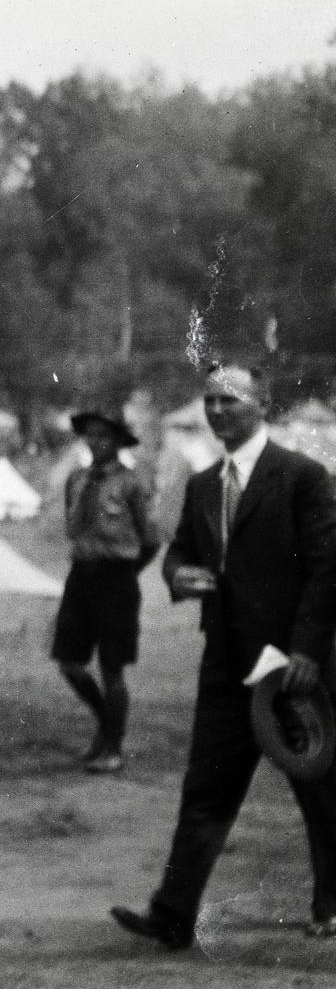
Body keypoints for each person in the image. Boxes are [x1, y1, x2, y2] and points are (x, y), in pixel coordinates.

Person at [112, 363, 336, 947]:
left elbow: (326, 569)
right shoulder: (205, 483)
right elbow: (180, 551)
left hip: (291, 668)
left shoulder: (303, 477)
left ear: (262, 403)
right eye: (209, 401)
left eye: (229, 401)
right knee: (206, 787)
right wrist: (180, 575)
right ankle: (174, 914)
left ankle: (332, 904)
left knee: (318, 785)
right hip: (225, 663)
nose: (215, 412)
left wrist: (307, 649)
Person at [54, 408, 160, 774]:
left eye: (104, 436)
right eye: (90, 436)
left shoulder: (131, 483)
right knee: (69, 663)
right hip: (80, 576)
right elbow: (72, 527)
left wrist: (125, 572)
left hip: (116, 580)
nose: (96, 442)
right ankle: (105, 723)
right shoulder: (76, 479)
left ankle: (112, 748)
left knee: (111, 669)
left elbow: (150, 540)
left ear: (117, 441)